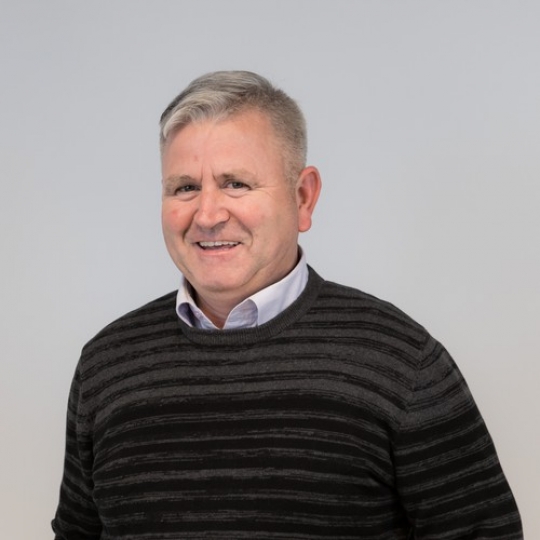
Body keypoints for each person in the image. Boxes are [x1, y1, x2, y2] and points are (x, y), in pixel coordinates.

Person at [52, 71, 523, 539]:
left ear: (303, 197)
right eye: (185, 188)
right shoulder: (106, 366)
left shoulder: (400, 361)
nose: (208, 215)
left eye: (236, 183)